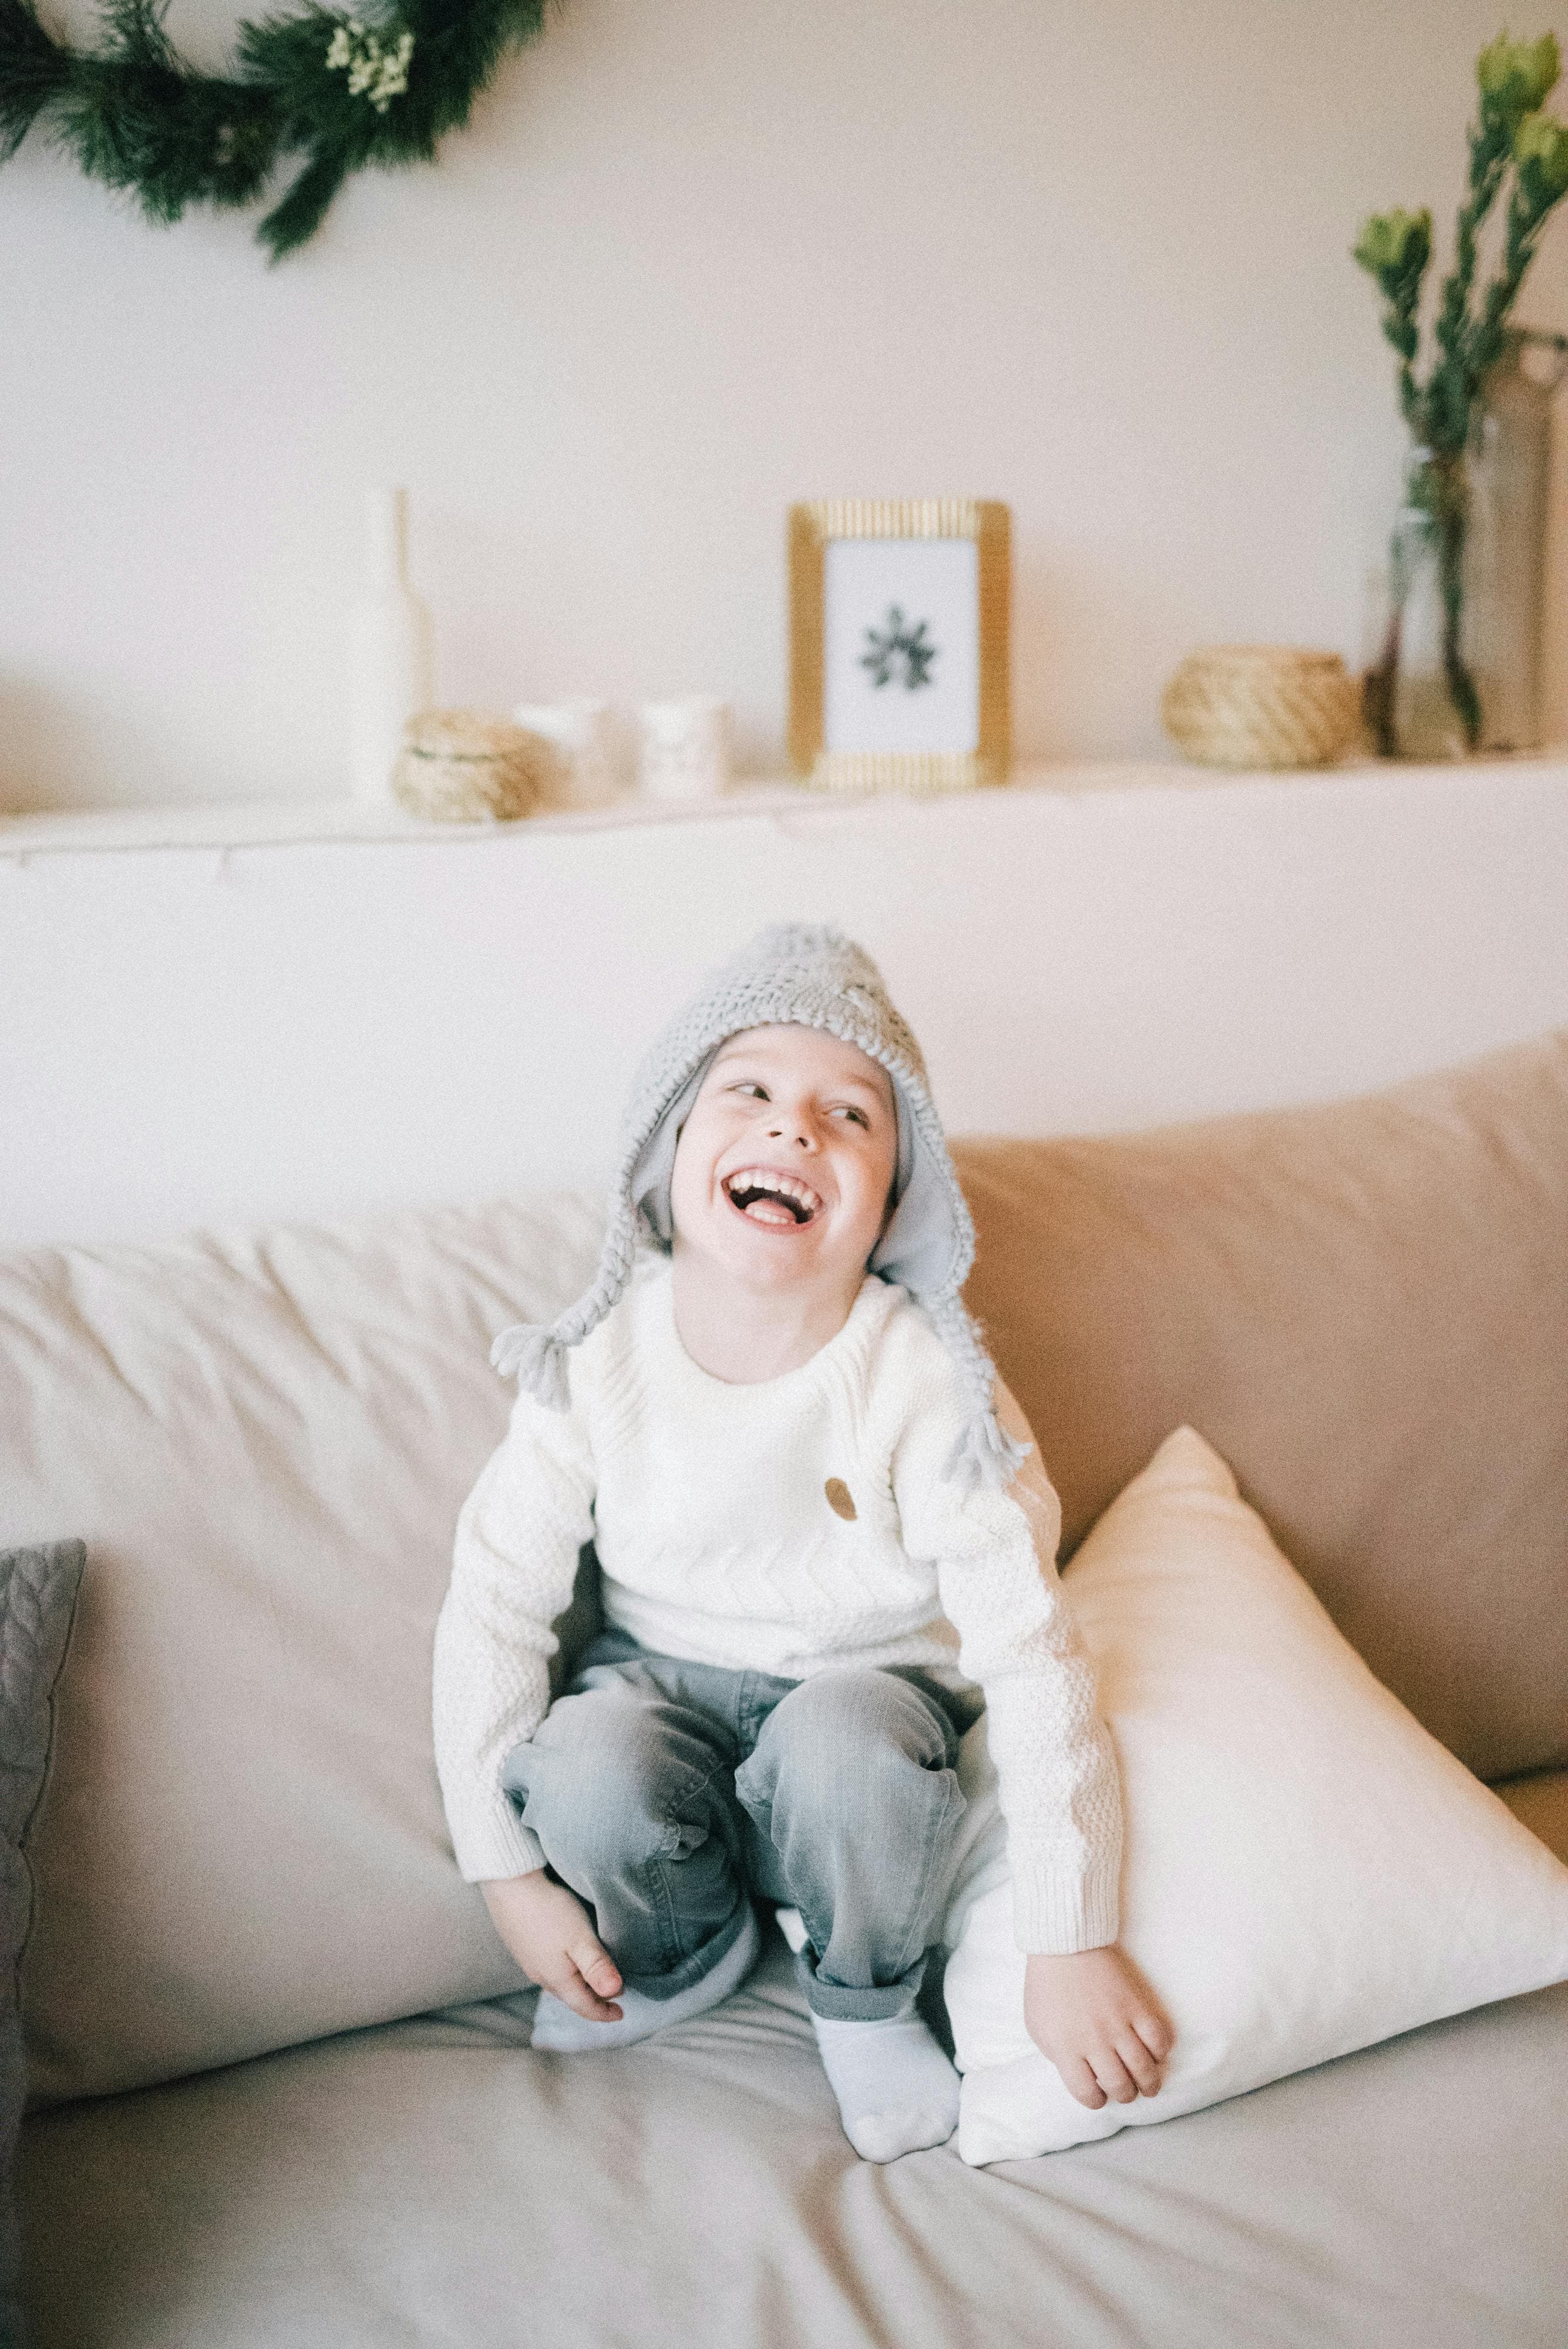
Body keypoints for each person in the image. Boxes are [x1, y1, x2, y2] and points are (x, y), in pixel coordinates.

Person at [433, 924, 1173, 2162]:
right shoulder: (599, 1351)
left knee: (848, 1750)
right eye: (752, 1092)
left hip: (869, 1689)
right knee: (583, 1764)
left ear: (892, 1202)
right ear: (669, 1145)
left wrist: (1072, 1935)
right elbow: (496, 1602)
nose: (794, 1131)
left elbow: (1034, 1655)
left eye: (850, 1115)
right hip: (659, 1676)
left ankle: (862, 1995)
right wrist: (504, 1869)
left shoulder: (925, 1381)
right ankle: (687, 1950)